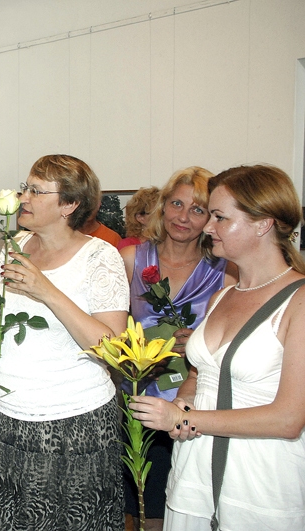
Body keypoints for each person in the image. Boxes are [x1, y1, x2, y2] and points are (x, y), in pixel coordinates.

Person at [130, 165, 305, 530]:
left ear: (263, 224)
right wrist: (184, 399)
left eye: (220, 217)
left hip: (258, 478)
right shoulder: (222, 296)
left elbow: (289, 419)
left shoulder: (299, 301)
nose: (207, 228)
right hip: (194, 471)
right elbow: (200, 373)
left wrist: (184, 419)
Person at [0, 154, 129, 530]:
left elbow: (113, 349)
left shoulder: (100, 258)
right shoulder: (14, 247)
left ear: (69, 204)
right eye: (25, 187)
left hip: (75, 425)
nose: (24, 197)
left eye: (36, 190)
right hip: (6, 419)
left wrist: (47, 291)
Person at [118, 166, 237, 530]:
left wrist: (202, 340)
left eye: (198, 210)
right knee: (137, 502)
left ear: (211, 218)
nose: (183, 217)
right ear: (163, 206)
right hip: (138, 395)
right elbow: (110, 329)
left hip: (194, 399)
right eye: (176, 204)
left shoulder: (224, 270)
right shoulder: (131, 260)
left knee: (183, 500)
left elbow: (237, 337)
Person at [117, 186, 159, 250]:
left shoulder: (169, 242)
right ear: (140, 218)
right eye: (156, 212)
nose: (163, 216)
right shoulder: (127, 246)